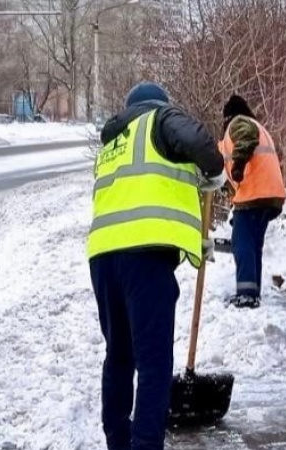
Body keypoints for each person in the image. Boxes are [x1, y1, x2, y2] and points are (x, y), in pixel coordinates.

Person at [87, 82, 225, 450]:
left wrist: (191, 239)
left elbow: (142, 198)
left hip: (103, 258)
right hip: (144, 260)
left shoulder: (113, 143)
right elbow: (197, 141)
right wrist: (215, 170)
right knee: (154, 362)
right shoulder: (159, 118)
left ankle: (118, 442)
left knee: (119, 356)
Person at [217, 95, 286, 309]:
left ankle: (246, 295)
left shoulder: (239, 122)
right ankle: (252, 293)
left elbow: (246, 139)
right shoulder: (259, 126)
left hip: (254, 193)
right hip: (270, 194)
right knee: (253, 245)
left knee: (242, 243)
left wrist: (238, 166)